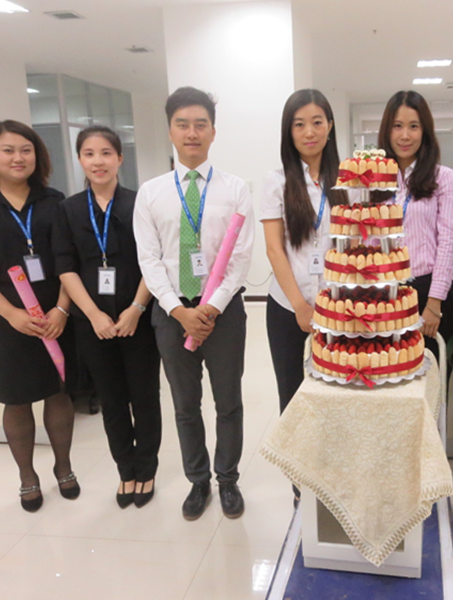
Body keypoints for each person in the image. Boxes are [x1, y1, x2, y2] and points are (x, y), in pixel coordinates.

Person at [134, 87, 254, 521]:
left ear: (213, 132)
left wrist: (211, 307)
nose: (192, 133)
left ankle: (228, 479)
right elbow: (149, 260)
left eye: (200, 124)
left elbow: (240, 257)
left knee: (228, 401)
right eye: (182, 124)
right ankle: (198, 480)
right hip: (171, 314)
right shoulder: (150, 193)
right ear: (170, 130)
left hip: (223, 312)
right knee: (185, 405)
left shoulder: (236, 189)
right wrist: (179, 310)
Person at [0, 120, 79, 512]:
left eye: (26, 149)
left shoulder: (54, 200)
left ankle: (63, 466)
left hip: (56, 314)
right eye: (7, 150)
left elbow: (68, 260)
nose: (18, 157)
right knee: (17, 398)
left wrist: (62, 309)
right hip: (6, 318)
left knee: (59, 391)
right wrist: (11, 314)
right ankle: (27, 476)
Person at [53, 126, 161, 509]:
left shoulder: (140, 202)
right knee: (112, 400)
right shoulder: (68, 209)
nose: (97, 161)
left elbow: (154, 260)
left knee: (144, 397)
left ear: (119, 158)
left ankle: (146, 468)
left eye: (105, 153)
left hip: (138, 317)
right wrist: (93, 314)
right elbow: (65, 267)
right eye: (89, 153)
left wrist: (136, 308)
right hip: (92, 322)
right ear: (79, 159)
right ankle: (125, 470)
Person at [260, 89, 345, 418]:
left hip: (338, 307)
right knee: (293, 398)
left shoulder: (347, 181)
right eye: (299, 124)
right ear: (289, 131)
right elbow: (274, 248)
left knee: (337, 394)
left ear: (330, 126)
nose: (309, 132)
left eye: (317, 122)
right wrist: (299, 305)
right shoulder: (276, 181)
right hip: (287, 306)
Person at [377, 90, 453, 360]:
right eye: (397, 126)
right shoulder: (375, 181)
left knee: (430, 376)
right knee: (387, 372)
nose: (405, 135)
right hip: (385, 292)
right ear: (387, 130)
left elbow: (448, 241)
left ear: (425, 131)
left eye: (413, 126)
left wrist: (435, 302)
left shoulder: (443, 178)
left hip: (428, 292)